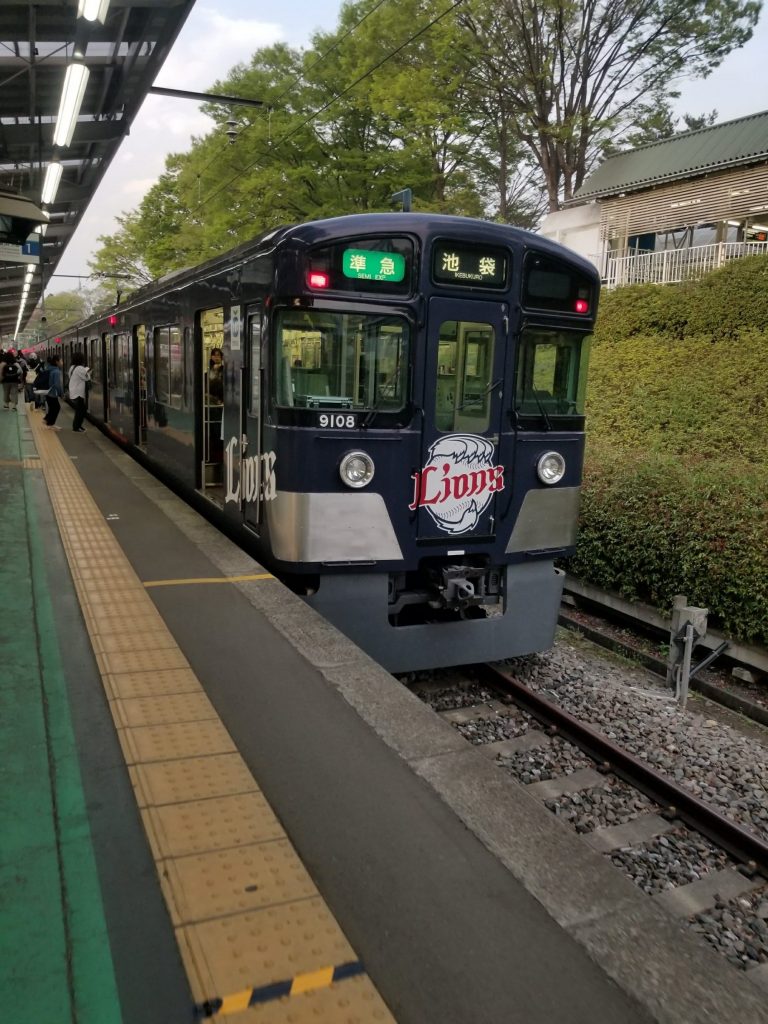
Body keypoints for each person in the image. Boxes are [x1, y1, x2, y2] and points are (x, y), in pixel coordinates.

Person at [67, 351, 91, 432]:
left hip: (73, 391)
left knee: (80, 410)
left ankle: (78, 426)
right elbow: (87, 378)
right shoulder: (80, 368)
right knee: (81, 410)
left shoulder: (72, 367)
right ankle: (76, 427)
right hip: (78, 393)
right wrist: (87, 371)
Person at [42, 354, 64, 429]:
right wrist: (61, 394)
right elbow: (57, 384)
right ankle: (50, 424)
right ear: (57, 362)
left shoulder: (49, 368)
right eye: (61, 360)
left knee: (52, 407)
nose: (62, 362)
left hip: (47, 392)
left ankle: (47, 420)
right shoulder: (56, 371)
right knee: (56, 407)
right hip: (52, 392)